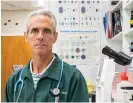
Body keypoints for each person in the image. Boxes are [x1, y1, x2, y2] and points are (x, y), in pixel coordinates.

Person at [4, 9, 89, 102]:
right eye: (35, 30)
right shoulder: (14, 81)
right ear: (26, 37)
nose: (40, 36)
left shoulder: (73, 79)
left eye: (46, 31)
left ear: (55, 37)